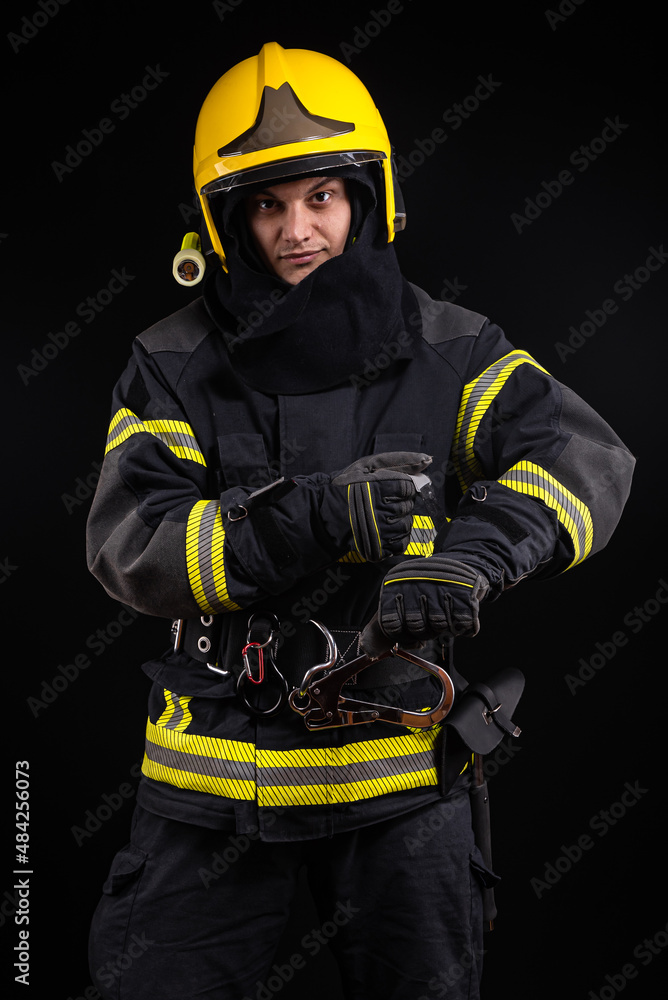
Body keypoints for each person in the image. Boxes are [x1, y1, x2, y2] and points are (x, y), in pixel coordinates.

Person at [86, 42, 635, 1000]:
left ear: (369, 201)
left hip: (400, 794)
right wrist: (303, 520)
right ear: (225, 221)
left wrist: (473, 560)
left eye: (323, 196)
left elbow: (584, 460)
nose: (298, 229)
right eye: (266, 203)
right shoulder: (169, 363)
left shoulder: (452, 349)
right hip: (211, 795)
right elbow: (128, 542)